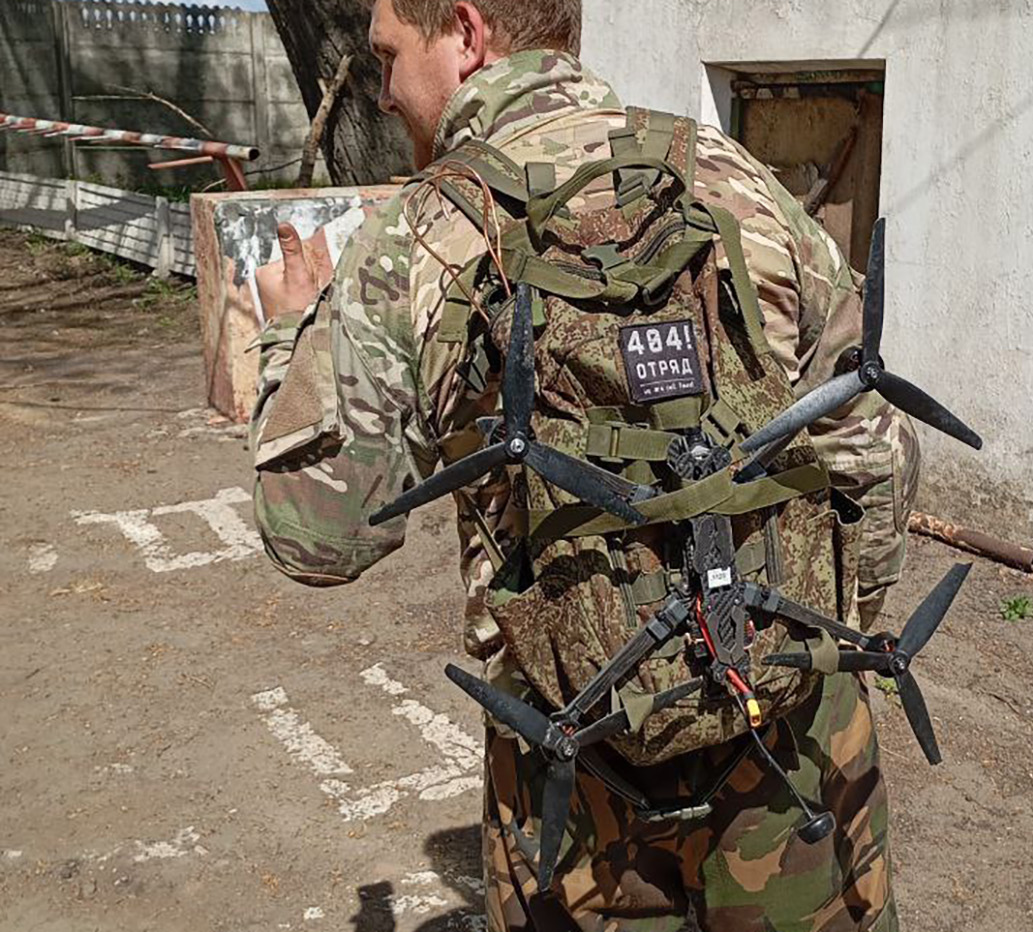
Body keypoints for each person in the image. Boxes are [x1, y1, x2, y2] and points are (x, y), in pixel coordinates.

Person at [252, 1, 920, 929]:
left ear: (466, 33)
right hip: (797, 756)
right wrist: (814, 651)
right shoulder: (732, 175)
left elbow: (316, 535)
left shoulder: (413, 239)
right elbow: (876, 452)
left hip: (570, 781)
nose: (384, 93)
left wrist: (287, 334)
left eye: (388, 55)